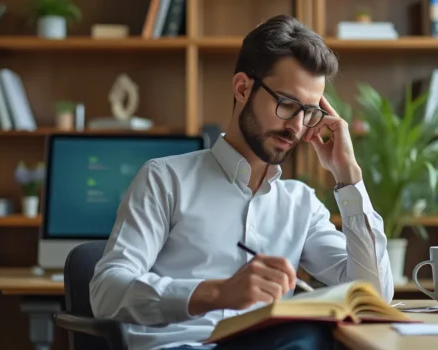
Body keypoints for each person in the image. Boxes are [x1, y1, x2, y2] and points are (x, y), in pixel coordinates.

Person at [89, 14, 393, 350]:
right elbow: (106, 291)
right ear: (243, 88)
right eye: (287, 104)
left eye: (309, 112)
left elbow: (374, 294)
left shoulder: (301, 205)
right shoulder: (165, 179)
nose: (297, 126)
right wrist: (216, 292)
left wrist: (348, 175)